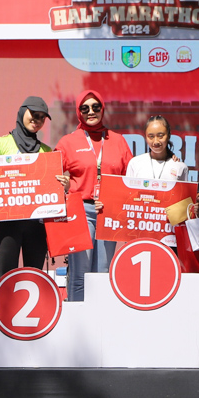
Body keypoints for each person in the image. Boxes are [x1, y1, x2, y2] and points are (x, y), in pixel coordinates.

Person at [0, 96, 68, 276]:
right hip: (8, 225)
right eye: (34, 114)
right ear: (22, 112)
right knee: (7, 278)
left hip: (37, 227)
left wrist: (62, 185)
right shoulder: (0, 144)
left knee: (34, 278)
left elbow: (50, 191)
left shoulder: (47, 151)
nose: (37, 120)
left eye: (42, 117)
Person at [57, 89, 132, 301]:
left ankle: (99, 318)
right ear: (78, 112)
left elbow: (131, 176)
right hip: (81, 211)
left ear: (102, 109)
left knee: (102, 273)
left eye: (95, 107)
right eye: (85, 108)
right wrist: (64, 184)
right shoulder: (68, 142)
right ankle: (77, 317)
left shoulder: (118, 140)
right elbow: (50, 175)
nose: (91, 112)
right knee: (80, 273)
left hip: (109, 211)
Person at [124, 115, 188, 248]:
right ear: (145, 137)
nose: (156, 141)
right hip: (139, 232)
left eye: (160, 135)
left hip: (169, 236)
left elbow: (184, 203)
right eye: (151, 136)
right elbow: (127, 198)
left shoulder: (180, 167)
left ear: (169, 135)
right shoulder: (135, 163)